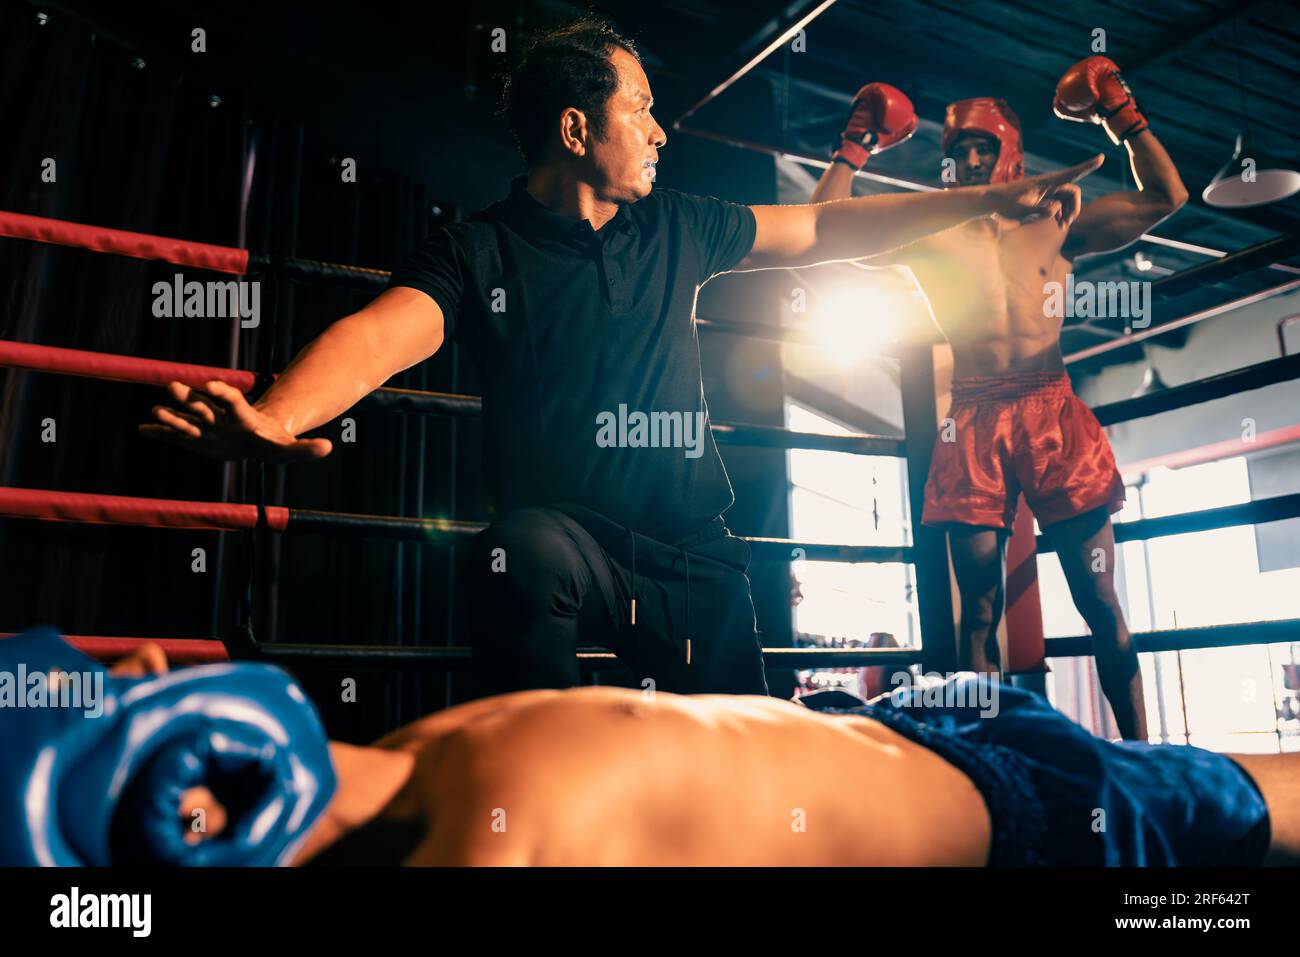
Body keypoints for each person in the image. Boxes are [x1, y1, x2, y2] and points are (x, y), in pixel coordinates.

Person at [139, 19, 1101, 699]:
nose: (658, 127)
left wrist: (975, 205)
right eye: (639, 107)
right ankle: (549, 799)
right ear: (575, 129)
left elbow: (824, 226)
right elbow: (383, 334)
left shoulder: (676, 225)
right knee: (519, 550)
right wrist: (278, 416)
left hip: (696, 556)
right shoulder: (480, 250)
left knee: (752, 789)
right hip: (571, 549)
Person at [14, 633, 1284, 867]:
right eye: (107, 699)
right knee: (1241, 802)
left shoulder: (421, 764)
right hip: (1017, 817)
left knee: (1242, 794)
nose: (136, 668)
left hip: (926, 734)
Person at [811, 60, 1188, 739]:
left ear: (1009, 151)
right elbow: (825, 225)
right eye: (960, 151)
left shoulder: (1054, 220)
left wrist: (1121, 115)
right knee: (977, 611)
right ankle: (988, 757)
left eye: (985, 147)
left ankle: (1141, 751)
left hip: (1052, 411)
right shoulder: (931, 235)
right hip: (974, 420)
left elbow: (1167, 196)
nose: (973, 160)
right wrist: (854, 145)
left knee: (1099, 598)